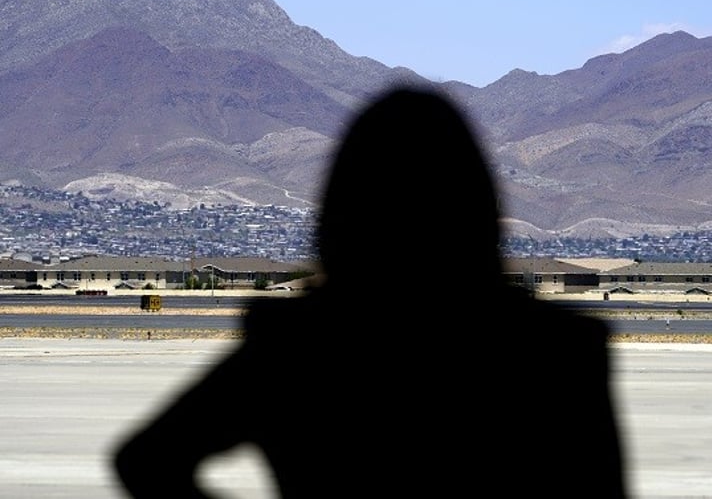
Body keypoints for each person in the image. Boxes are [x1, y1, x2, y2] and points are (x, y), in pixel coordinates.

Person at [113, 85, 627, 497]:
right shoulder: (559, 351)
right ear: (476, 209)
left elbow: (146, 461)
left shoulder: (296, 347)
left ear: (342, 212)